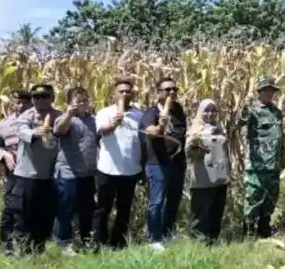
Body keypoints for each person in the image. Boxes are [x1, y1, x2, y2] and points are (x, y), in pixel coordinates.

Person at [11, 84, 61, 255]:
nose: (39, 100)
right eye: (35, 96)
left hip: (50, 175)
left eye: (44, 96)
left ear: (52, 98)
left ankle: (39, 248)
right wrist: (36, 132)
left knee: (45, 214)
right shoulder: (26, 116)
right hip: (28, 175)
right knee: (25, 215)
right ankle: (23, 249)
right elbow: (22, 131)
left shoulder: (59, 116)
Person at [94, 79, 144, 250]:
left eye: (127, 92)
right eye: (121, 91)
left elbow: (142, 142)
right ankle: (99, 243)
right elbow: (103, 131)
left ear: (132, 94)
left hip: (130, 170)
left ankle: (118, 243)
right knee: (102, 209)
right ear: (113, 95)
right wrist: (115, 122)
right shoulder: (104, 112)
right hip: (107, 169)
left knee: (124, 210)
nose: (124, 94)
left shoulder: (139, 115)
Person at [140, 77, 187, 251]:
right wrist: (163, 115)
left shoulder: (179, 111)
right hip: (158, 163)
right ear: (158, 92)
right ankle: (154, 239)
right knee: (157, 201)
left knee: (173, 200)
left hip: (177, 163)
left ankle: (168, 233)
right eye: (167, 90)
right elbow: (152, 132)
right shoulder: (151, 113)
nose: (172, 92)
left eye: (175, 89)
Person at [52, 87, 98, 256]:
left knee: (87, 210)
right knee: (66, 210)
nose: (82, 104)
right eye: (78, 101)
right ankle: (63, 244)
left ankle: (86, 241)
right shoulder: (65, 119)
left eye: (85, 100)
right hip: (68, 173)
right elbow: (59, 130)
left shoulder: (93, 120)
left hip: (88, 174)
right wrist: (69, 114)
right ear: (69, 103)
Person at [240, 76, 285, 239]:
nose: (269, 93)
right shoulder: (252, 111)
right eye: (265, 90)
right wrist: (245, 105)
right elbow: (241, 121)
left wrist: (283, 158)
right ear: (259, 92)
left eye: (271, 90)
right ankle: (248, 231)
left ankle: (264, 228)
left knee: (271, 197)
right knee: (254, 197)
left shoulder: (277, 112)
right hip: (258, 165)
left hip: (273, 163)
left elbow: (281, 138)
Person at [0, 89, 31, 256]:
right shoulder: (2, 125)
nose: (20, 106)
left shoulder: (37, 121)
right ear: (12, 104)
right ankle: (5, 245)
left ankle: (27, 245)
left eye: (24, 102)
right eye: (17, 102)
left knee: (29, 209)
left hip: (34, 172)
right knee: (11, 208)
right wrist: (4, 154)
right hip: (14, 172)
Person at [185, 99, 230, 245]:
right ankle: (199, 243)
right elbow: (190, 155)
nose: (210, 114)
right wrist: (194, 146)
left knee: (216, 212)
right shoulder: (195, 131)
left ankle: (212, 241)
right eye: (206, 110)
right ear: (200, 112)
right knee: (201, 213)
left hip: (220, 178)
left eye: (213, 110)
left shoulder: (220, 128)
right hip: (203, 180)